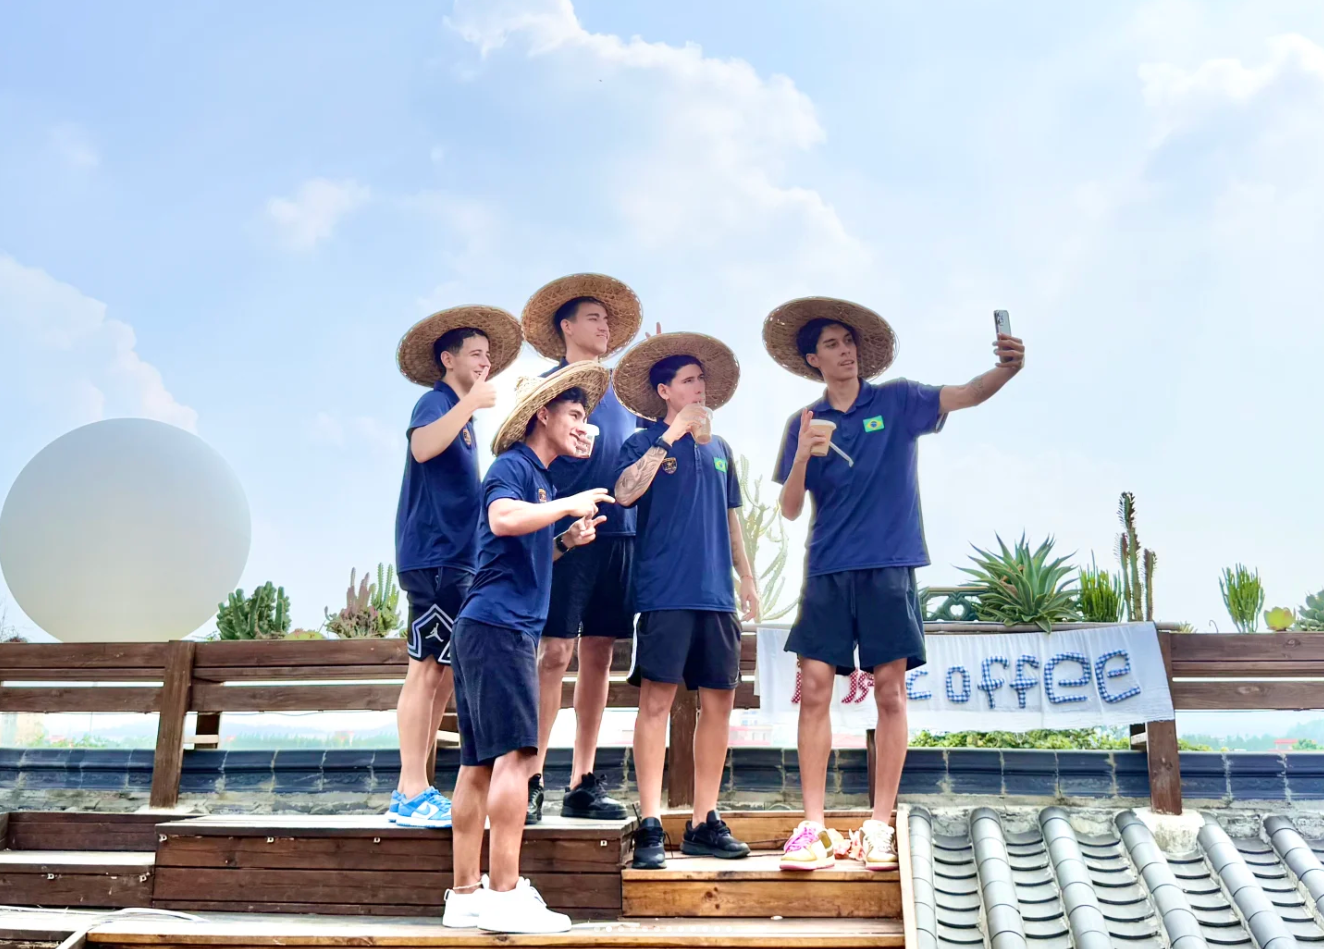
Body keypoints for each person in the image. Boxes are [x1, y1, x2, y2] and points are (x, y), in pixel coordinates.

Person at [765, 297, 1025, 871]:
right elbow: (788, 508)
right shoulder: (803, 422)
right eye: (831, 344)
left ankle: (878, 826)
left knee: (890, 692)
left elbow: (967, 393)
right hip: (827, 568)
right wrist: (804, 455)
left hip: (890, 566)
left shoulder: (899, 400)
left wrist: (1006, 369)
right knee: (815, 688)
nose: (845, 351)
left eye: (849, 342)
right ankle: (814, 827)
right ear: (813, 359)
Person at [441, 362, 615, 935]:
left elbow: (516, 549)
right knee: (516, 758)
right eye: (575, 413)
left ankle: (465, 896)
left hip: (483, 627)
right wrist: (566, 506)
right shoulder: (514, 467)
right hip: (501, 629)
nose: (583, 425)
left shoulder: (540, 479)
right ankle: (505, 894)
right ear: (543, 414)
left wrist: (564, 540)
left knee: (477, 765)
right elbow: (501, 518)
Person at [611, 333, 759, 870]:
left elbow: (731, 518)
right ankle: (651, 823)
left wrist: (747, 578)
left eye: (703, 380)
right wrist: (671, 436)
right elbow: (625, 492)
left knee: (719, 704)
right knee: (656, 703)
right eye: (690, 380)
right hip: (664, 592)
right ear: (665, 391)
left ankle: (704, 821)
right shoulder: (643, 442)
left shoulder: (721, 450)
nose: (701, 388)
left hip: (716, 597)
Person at [390, 305, 522, 829]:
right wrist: (468, 402)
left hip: (458, 559)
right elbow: (422, 447)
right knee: (425, 669)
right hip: (434, 557)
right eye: (475, 354)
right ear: (449, 359)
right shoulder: (437, 402)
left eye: (488, 356)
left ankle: (417, 788)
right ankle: (409, 791)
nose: (485, 362)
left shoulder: (463, 417)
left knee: (441, 672)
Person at [520, 274, 643, 824]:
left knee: (599, 655)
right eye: (594, 318)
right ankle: (529, 777)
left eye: (608, 320)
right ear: (566, 327)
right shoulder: (544, 388)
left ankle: (582, 781)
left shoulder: (624, 391)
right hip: (567, 531)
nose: (604, 327)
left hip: (621, 533)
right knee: (554, 654)